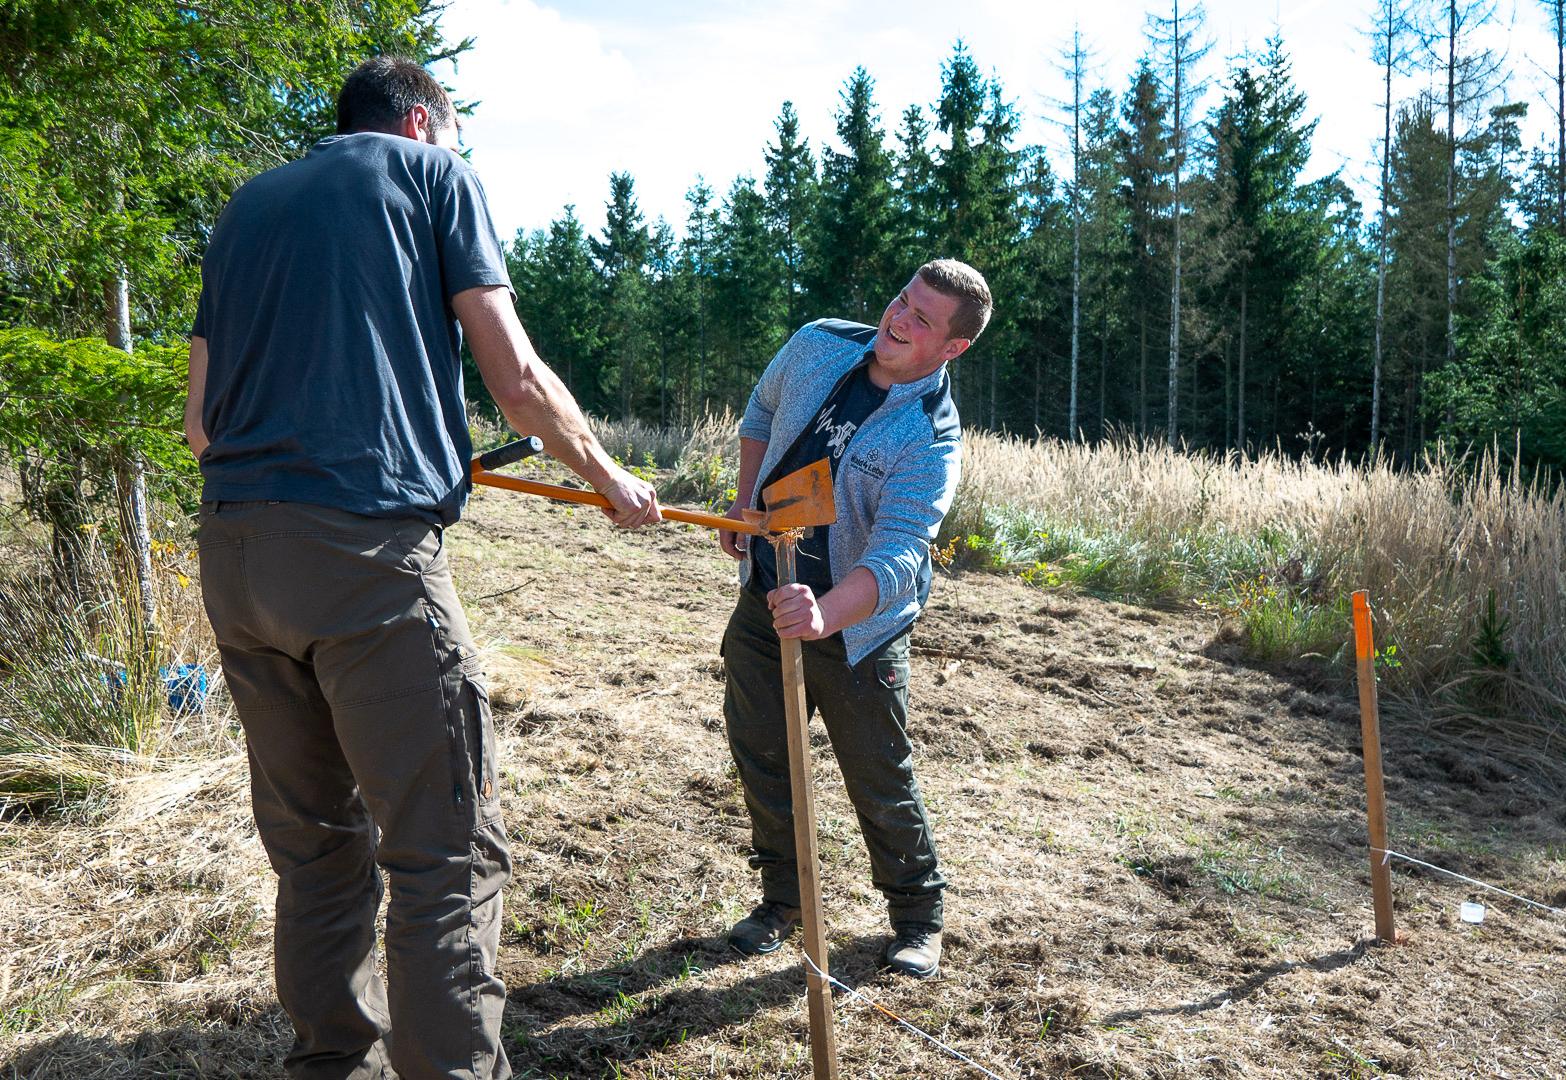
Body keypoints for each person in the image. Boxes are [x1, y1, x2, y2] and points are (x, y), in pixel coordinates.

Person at [183, 57, 659, 1080]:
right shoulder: (432, 176)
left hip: (235, 558)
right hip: (366, 564)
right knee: (444, 857)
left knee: (315, 850)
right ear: (418, 121)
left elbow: (197, 425)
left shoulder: (248, 208)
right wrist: (613, 477)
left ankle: (332, 1065)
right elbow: (517, 378)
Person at [716, 259, 990, 979]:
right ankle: (783, 902)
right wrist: (745, 503)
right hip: (764, 600)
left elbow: (901, 554)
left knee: (877, 773)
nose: (898, 320)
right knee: (763, 755)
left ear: (951, 348)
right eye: (903, 300)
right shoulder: (817, 343)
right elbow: (762, 411)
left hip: (857, 628)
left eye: (923, 321)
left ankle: (916, 916)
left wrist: (826, 613)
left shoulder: (929, 438)